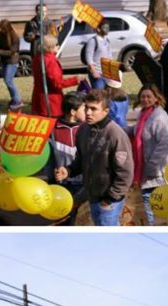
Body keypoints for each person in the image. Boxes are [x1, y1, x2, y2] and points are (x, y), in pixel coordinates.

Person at [54, 88, 134, 226]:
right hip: (92, 196)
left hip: (109, 202)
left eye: (94, 109)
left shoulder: (115, 134)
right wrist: (68, 171)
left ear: (106, 111)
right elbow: (80, 160)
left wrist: (110, 198)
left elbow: (125, 172)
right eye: (86, 108)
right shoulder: (83, 130)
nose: (88, 113)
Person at [129, 84, 168, 225]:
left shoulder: (159, 117)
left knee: (151, 204)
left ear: (156, 99)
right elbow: (136, 131)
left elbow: (164, 144)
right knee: (149, 205)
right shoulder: (143, 114)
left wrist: (152, 167)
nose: (145, 99)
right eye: (143, 96)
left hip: (156, 172)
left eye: (149, 96)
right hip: (145, 170)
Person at [31, 34, 82, 117]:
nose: (58, 46)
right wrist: (76, 79)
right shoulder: (50, 61)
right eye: (56, 44)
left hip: (39, 98)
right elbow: (57, 83)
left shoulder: (37, 58)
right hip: (51, 101)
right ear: (50, 47)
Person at [0, 18, 23, 109]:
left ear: (6, 27)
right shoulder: (2, 34)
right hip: (5, 60)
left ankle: (18, 100)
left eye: (2, 28)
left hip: (12, 61)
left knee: (8, 80)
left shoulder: (14, 37)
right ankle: (14, 99)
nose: (0, 30)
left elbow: (12, 52)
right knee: (7, 81)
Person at [84, 20, 112, 89]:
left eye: (108, 27)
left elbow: (110, 56)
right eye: (105, 27)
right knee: (99, 95)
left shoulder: (107, 40)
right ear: (98, 29)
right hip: (98, 73)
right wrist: (94, 71)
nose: (107, 30)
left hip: (107, 73)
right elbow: (89, 57)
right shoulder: (93, 41)